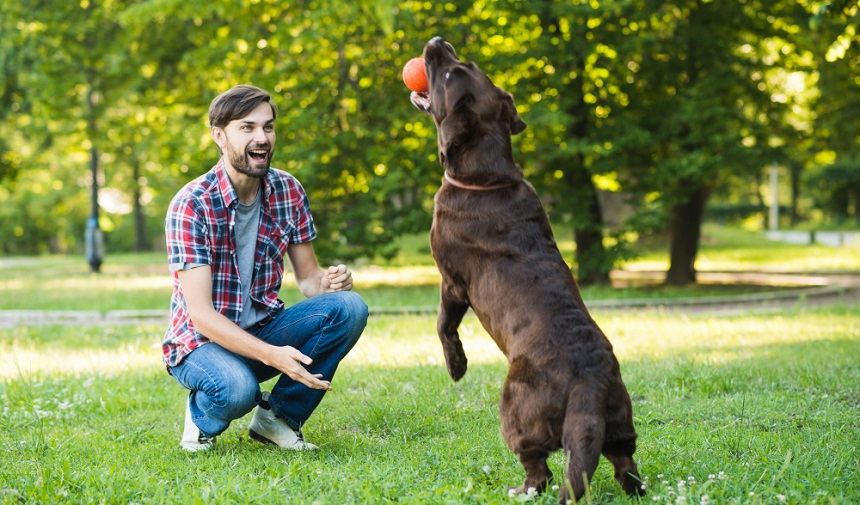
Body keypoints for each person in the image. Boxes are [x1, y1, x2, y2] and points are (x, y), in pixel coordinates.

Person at [162, 84, 368, 452]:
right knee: (238, 390)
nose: (262, 138)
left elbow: (308, 279)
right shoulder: (192, 205)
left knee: (349, 308)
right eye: (248, 128)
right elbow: (201, 315)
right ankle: (201, 416)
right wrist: (272, 355)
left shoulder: (288, 190)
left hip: (262, 330)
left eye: (268, 127)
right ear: (219, 136)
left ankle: (279, 419)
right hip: (201, 344)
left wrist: (331, 281)